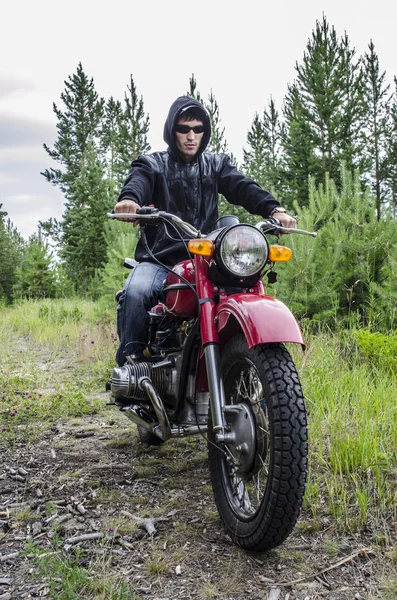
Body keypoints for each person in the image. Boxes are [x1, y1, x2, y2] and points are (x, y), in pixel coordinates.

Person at [114, 95, 296, 366]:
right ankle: (132, 362)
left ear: (205, 132)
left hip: (208, 256)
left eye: (198, 129)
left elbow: (242, 186)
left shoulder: (216, 165)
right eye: (184, 128)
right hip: (161, 259)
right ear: (171, 130)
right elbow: (138, 180)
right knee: (137, 291)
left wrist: (274, 209)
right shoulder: (152, 164)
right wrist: (130, 199)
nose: (191, 135)